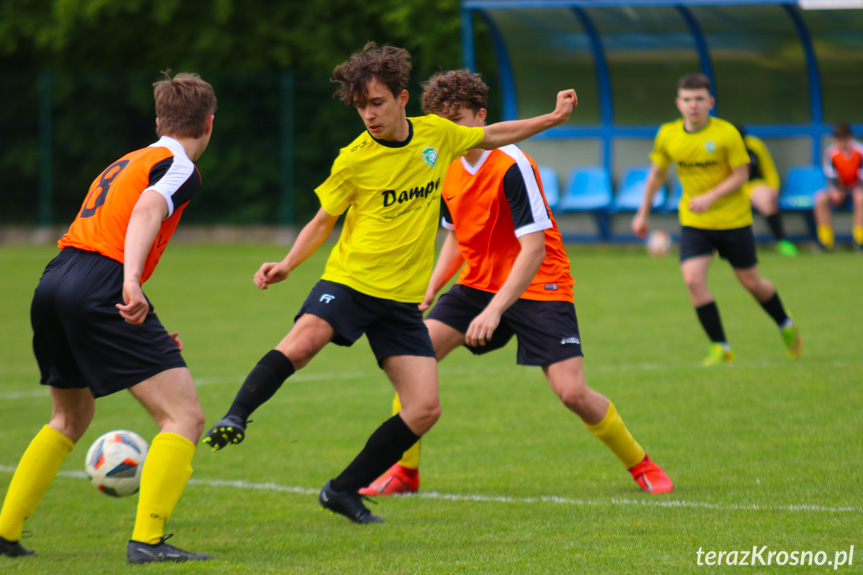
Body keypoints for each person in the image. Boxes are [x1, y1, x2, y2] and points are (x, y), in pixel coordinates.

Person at [202, 43, 577, 524]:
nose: (368, 115)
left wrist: (551, 118)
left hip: (399, 301)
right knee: (305, 340)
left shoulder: (437, 135)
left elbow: (495, 134)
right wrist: (289, 264)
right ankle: (237, 414)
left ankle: (341, 489)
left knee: (424, 409)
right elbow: (322, 220)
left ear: (402, 99)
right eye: (360, 107)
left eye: (376, 103)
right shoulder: (353, 159)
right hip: (352, 280)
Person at [358, 69, 673, 498]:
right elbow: (455, 234)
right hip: (478, 283)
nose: (452, 132)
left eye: (461, 121)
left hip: (539, 282)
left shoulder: (512, 164)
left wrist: (494, 310)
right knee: (415, 361)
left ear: (482, 117)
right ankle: (404, 473)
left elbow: (533, 251)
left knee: (572, 392)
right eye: (443, 123)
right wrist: (430, 289)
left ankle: (642, 465)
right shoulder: (442, 163)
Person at [0, 72, 216, 563]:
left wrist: (143, 319)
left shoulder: (126, 160)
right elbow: (146, 211)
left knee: (70, 415)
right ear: (208, 122)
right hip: (101, 283)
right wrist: (133, 282)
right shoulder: (179, 165)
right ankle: (148, 542)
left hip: (55, 280)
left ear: (159, 119)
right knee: (183, 416)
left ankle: (5, 532)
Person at [631, 73, 801, 367]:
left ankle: (785, 323)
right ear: (678, 103)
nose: (693, 105)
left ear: (710, 102)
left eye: (699, 99)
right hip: (696, 222)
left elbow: (742, 175)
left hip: (734, 220)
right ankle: (720, 347)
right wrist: (642, 212)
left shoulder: (727, 134)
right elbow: (657, 175)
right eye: (687, 100)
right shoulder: (668, 135)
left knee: (751, 283)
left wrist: (709, 197)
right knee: (692, 280)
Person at [734, 124, 798, 256]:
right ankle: (723, 246)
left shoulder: (755, 145)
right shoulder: (723, 149)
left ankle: (782, 241)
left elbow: (768, 167)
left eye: (743, 141)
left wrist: (773, 186)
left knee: (766, 200)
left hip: (754, 184)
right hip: (732, 188)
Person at [814, 123, 863, 250]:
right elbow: (830, 174)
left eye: (843, 138)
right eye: (837, 138)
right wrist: (835, 190)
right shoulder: (831, 151)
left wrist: (857, 189)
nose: (840, 142)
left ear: (850, 137)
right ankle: (826, 241)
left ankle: (859, 240)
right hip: (840, 189)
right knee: (820, 198)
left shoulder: (860, 151)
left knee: (861, 198)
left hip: (857, 188)